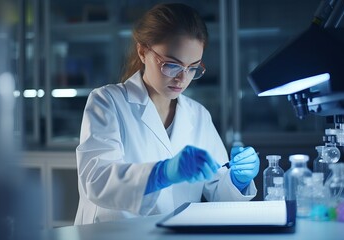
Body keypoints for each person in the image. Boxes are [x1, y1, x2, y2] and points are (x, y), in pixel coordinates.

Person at [74, 3, 260, 225]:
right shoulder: (107, 102)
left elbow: (217, 192)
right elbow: (97, 180)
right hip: (114, 233)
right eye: (172, 65)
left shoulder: (198, 115)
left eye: (192, 68)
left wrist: (237, 180)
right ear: (143, 52)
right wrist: (161, 173)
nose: (182, 79)